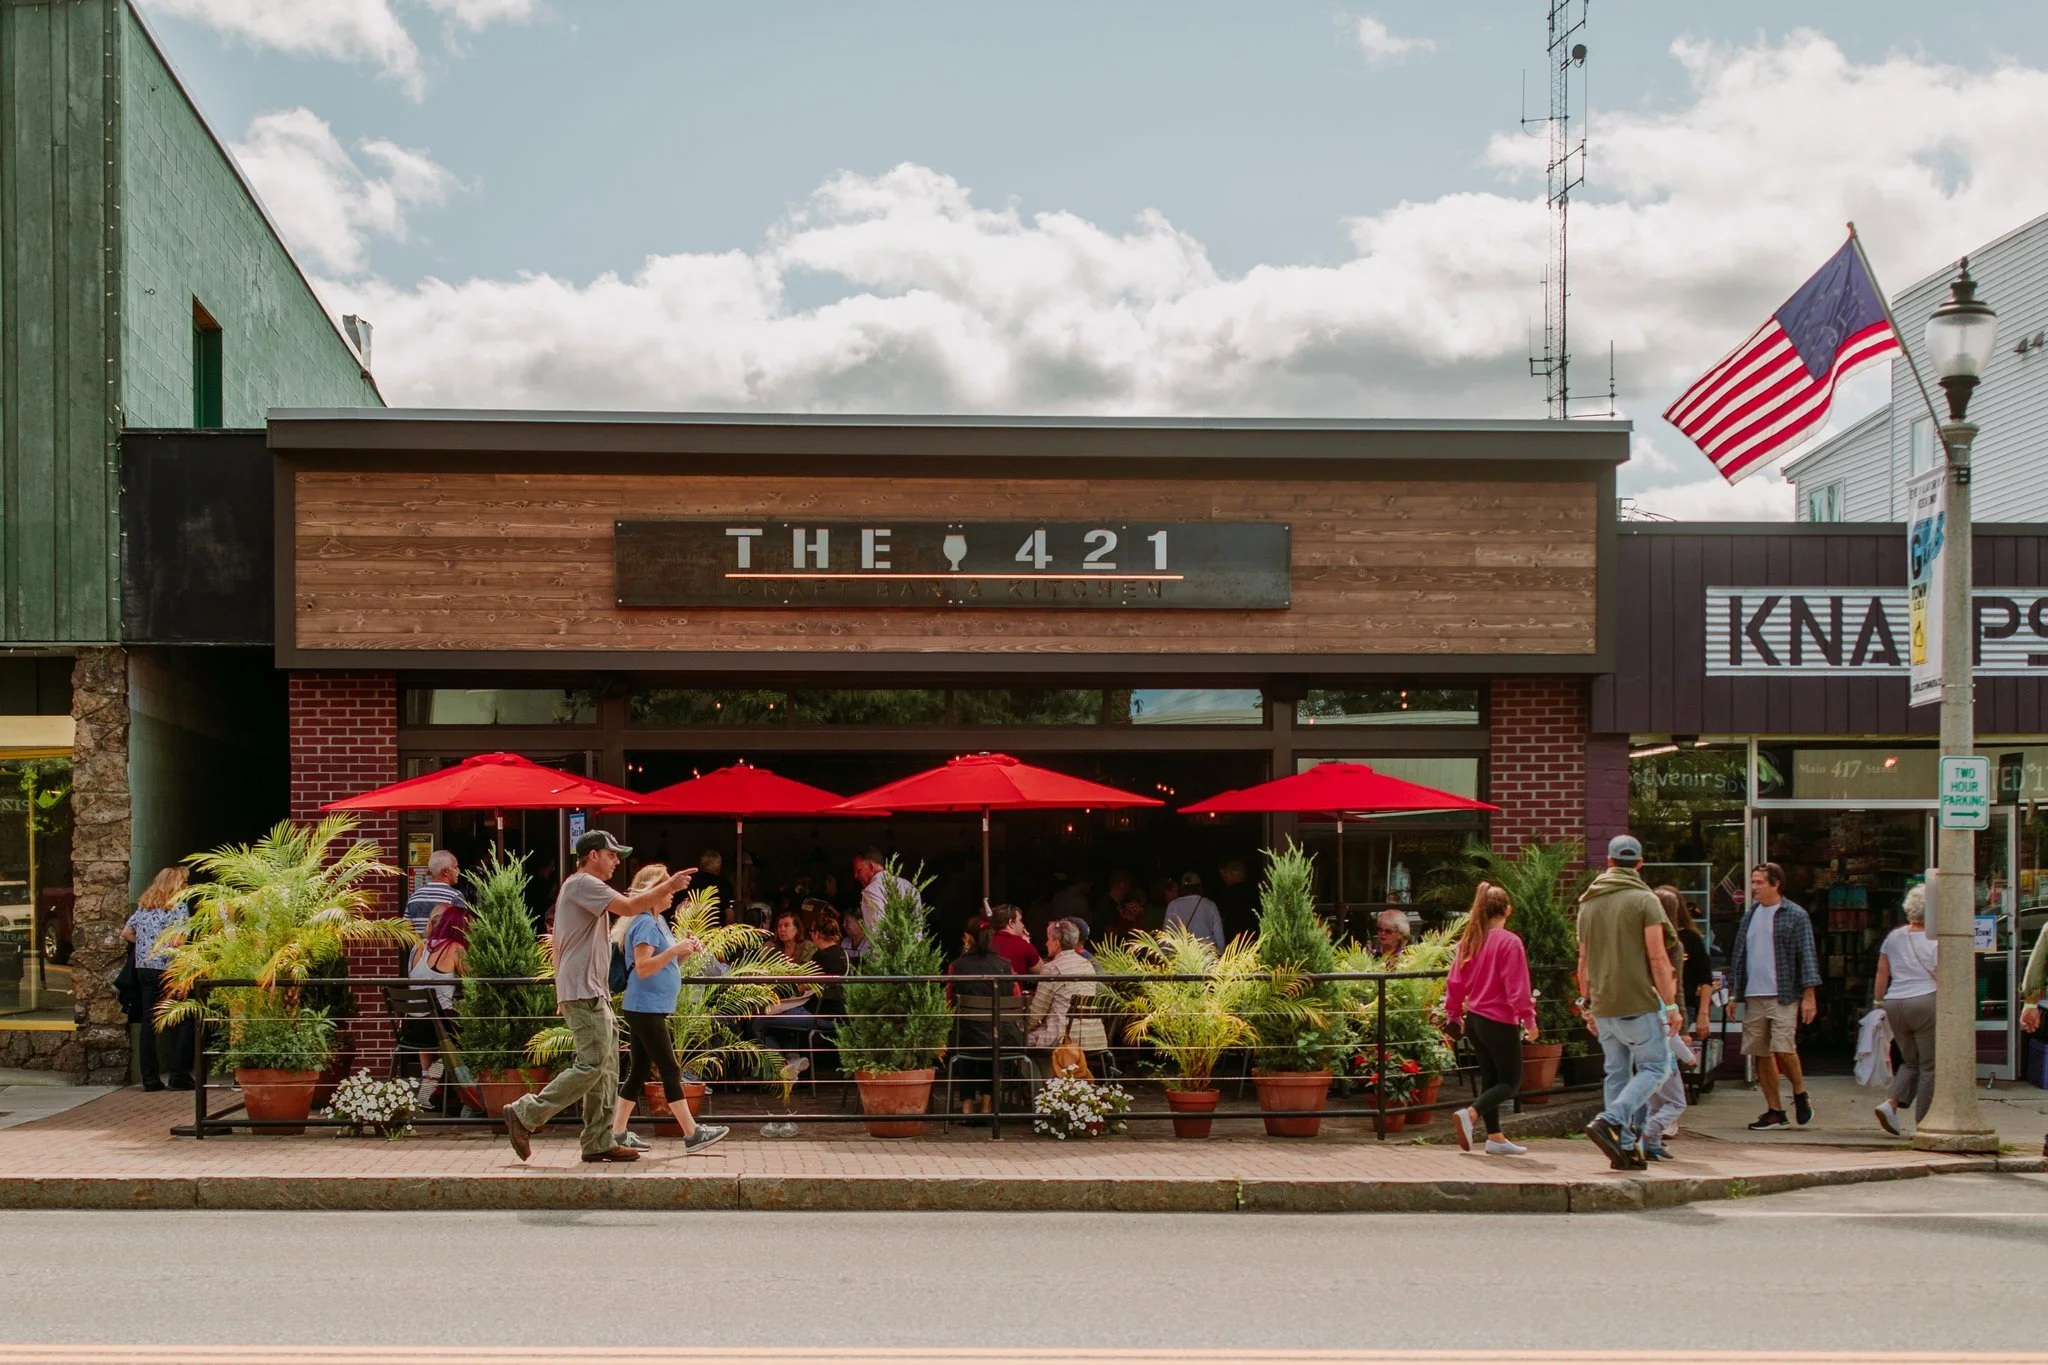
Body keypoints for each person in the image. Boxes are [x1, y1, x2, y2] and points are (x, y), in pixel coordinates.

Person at [502, 830, 694, 1164]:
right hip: (583, 991)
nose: (616, 861)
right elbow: (632, 905)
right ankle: (526, 1113)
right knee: (592, 1065)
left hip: (592, 991)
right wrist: (668, 885)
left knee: (606, 1069)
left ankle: (598, 1140)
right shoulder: (582, 883)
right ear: (593, 855)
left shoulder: (582, 887)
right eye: (611, 854)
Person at [1575, 834, 1681, 1171]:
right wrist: (1671, 1004)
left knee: (1617, 1073)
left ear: (1608, 862)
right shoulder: (1645, 900)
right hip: (1637, 1002)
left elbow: (1583, 961)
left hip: (1603, 1005)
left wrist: (1587, 1004)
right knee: (1655, 1067)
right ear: (1639, 864)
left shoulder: (1588, 903)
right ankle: (1610, 1119)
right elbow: (1658, 956)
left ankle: (1624, 1149)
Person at [610, 864, 729, 1155]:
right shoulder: (646, 923)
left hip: (649, 1007)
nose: (672, 893)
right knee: (670, 1068)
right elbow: (642, 967)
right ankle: (692, 1134)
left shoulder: (658, 921)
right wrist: (675, 951)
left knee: (638, 1070)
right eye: (667, 887)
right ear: (653, 891)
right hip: (644, 1008)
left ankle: (617, 1132)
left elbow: (664, 965)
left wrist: (682, 952)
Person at [1444, 881, 1537, 1157]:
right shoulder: (1510, 942)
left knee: (1491, 1079)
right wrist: (1529, 1020)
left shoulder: (1471, 941)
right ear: (1507, 909)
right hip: (1500, 1020)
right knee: (1510, 1082)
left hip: (1474, 1020)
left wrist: (1453, 1015)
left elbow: (1455, 982)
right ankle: (1470, 1114)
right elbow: (1517, 987)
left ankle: (1495, 1137)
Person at [1729, 861, 1821, 1130]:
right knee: (1760, 1052)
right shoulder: (1750, 915)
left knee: (1783, 1047)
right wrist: (1735, 993)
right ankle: (1774, 1110)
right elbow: (1739, 954)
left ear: (1775, 884)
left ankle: (1800, 1091)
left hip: (1783, 992)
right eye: (1753, 882)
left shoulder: (1794, 915)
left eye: (1759, 882)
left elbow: (1806, 955)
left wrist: (1809, 994)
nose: (1754, 888)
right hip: (1754, 992)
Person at [1639, 886, 1706, 1160]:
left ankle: (1652, 1142)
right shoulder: (1674, 945)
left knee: (1654, 1099)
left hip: (1641, 1032)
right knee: (1675, 1100)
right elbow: (1671, 1025)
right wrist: (1688, 1051)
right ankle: (1648, 1132)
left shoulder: (1640, 943)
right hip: (1663, 1045)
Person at [1873, 883, 1939, 1136]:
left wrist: (1879, 1002)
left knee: (1911, 1061)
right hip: (1925, 1001)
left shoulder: (1894, 936)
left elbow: (1882, 972)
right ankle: (1924, 1123)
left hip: (1894, 1003)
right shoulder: (1936, 939)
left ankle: (1890, 1104)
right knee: (1930, 1066)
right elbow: (1942, 975)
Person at [123, 866, 195, 1091]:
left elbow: (125, 932)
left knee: (149, 1022)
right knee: (185, 1018)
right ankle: (179, 1074)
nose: (187, 887)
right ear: (177, 886)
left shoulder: (144, 907)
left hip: (144, 969)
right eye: (184, 883)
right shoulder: (179, 908)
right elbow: (177, 942)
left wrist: (146, 947)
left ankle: (150, 1079)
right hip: (168, 969)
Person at [946, 913, 1023, 1114]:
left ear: (967, 938)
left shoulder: (957, 966)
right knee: (992, 1037)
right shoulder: (1005, 966)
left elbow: (948, 1001)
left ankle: (967, 1103)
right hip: (1002, 1039)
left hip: (966, 1037)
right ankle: (988, 1104)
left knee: (969, 1039)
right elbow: (1015, 1000)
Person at [749, 905, 828, 1078]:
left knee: (759, 1023)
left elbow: (806, 977)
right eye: (779, 926)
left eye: (786, 925)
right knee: (766, 1021)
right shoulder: (774, 949)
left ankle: (780, 1064)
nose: (782, 929)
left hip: (803, 1003)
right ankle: (792, 1061)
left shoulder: (807, 947)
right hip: (781, 1001)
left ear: (797, 928)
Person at [1027, 919, 1109, 1054]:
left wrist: (1020, 1027)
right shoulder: (1087, 965)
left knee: (1018, 1041)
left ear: (1057, 943)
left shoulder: (1052, 968)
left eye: (1048, 939)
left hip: (1063, 1038)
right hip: (1093, 1038)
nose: (1046, 943)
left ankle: (1046, 1075)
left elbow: (1037, 1013)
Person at [1661, 886, 1714, 1045]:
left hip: (1684, 1004)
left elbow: (1705, 977)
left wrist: (1703, 1013)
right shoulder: (1650, 937)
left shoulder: (1689, 938)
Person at [854, 847, 920, 936]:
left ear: (871, 867)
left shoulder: (871, 891)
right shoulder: (908, 886)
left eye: (859, 870)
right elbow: (917, 930)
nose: (856, 876)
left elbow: (877, 934)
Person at [404, 850, 467, 936]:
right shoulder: (455, 896)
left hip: (420, 948)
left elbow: (406, 933)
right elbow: (462, 930)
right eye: (455, 867)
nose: (458, 871)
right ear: (445, 871)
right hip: (444, 948)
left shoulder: (414, 897)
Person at [1163, 872, 1225, 952]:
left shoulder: (1173, 905)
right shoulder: (1210, 904)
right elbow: (1219, 935)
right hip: (1206, 953)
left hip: (1183, 954)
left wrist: (1164, 954)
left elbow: (1167, 932)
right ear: (1199, 886)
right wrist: (1221, 953)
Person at [988, 902, 1043, 976]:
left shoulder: (984, 943)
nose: (1023, 925)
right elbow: (1042, 971)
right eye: (1020, 920)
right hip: (1012, 987)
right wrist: (1027, 942)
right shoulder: (1023, 946)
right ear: (1011, 923)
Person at [1214, 859, 1258, 945]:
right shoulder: (1256, 891)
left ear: (1235, 873)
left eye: (1226, 874)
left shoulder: (1228, 894)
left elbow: (1221, 919)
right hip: (1254, 941)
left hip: (1234, 942)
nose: (1224, 878)